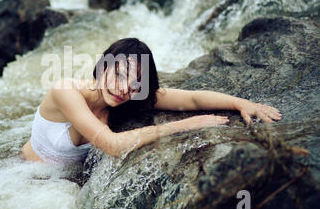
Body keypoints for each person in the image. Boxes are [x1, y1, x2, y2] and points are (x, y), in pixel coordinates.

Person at [21, 38, 282, 165]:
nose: (124, 88)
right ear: (102, 67)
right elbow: (112, 145)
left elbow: (190, 99)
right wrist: (183, 126)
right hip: (26, 177)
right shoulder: (66, 91)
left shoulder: (131, 98)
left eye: (135, 82)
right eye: (120, 74)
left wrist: (241, 103)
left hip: (64, 183)